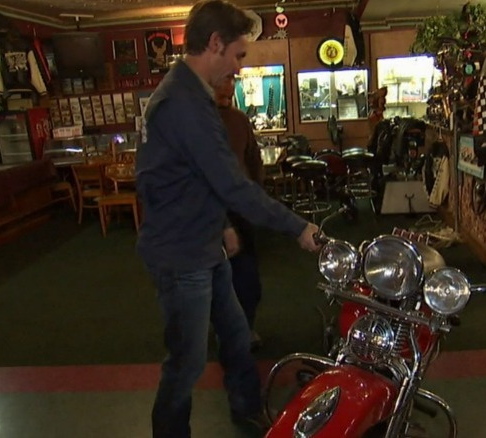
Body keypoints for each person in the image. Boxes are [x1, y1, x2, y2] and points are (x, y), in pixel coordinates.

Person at [135, 1, 320, 437]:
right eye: (238, 56)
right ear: (214, 43)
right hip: (183, 255)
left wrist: (220, 225)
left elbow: (185, 178)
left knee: (237, 337)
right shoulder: (185, 102)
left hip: (203, 244)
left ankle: (246, 409)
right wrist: (298, 227)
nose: (239, 68)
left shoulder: (188, 94)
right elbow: (231, 184)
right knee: (187, 363)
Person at [214, 74, 265, 350]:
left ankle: (245, 324)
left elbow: (253, 159)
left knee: (248, 277)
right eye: (225, 78)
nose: (229, 84)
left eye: (232, 80)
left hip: (242, 207)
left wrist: (257, 196)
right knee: (221, 276)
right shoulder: (201, 120)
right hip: (213, 211)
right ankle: (227, 329)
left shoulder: (239, 119)